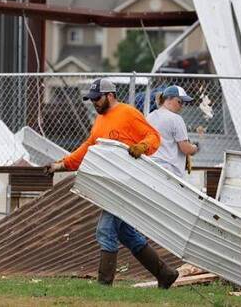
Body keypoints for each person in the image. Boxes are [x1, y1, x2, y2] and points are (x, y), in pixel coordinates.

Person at [44, 78, 179, 289]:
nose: (94, 103)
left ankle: (104, 285)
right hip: (112, 184)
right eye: (91, 99)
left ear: (110, 95)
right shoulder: (100, 120)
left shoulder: (128, 113)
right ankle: (165, 274)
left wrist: (142, 146)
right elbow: (88, 147)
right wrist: (61, 165)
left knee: (105, 230)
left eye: (97, 99)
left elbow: (153, 136)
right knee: (126, 233)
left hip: (127, 183)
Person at [147, 86, 199, 178]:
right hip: (168, 170)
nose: (181, 106)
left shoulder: (149, 117)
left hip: (150, 165)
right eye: (179, 101)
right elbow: (186, 149)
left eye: (183, 103)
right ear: (169, 99)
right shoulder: (176, 119)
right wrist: (195, 148)